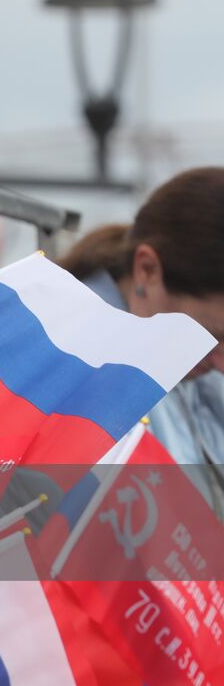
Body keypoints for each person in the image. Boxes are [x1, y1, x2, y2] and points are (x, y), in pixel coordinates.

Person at [61, 166, 224, 514]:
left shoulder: (187, 364)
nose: (221, 366)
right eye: (212, 337)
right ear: (147, 270)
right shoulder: (74, 371)